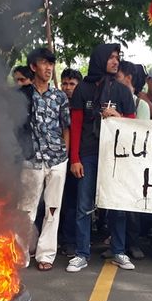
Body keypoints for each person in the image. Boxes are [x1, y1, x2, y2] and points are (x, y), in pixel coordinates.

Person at [66, 43, 136, 273]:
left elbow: (134, 125)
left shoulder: (123, 91)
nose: (116, 62)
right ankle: (82, 253)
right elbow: (75, 126)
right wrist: (74, 158)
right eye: (111, 57)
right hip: (88, 154)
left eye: (118, 58)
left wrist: (119, 116)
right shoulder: (83, 89)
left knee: (117, 204)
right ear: (100, 59)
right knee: (84, 205)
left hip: (116, 157)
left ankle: (118, 251)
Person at [16, 47, 70, 271]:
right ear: (33, 67)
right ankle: (19, 255)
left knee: (52, 209)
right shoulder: (23, 95)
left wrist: (64, 152)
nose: (48, 68)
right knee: (26, 210)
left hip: (57, 159)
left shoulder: (59, 96)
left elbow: (66, 125)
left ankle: (46, 254)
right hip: (31, 160)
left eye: (51, 64)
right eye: (44, 63)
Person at [115, 60, 149, 260]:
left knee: (132, 206)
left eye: (118, 77)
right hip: (116, 160)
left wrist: (118, 117)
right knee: (115, 206)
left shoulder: (140, 105)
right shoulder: (113, 99)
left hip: (135, 162)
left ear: (128, 78)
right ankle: (117, 242)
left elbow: (141, 131)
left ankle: (133, 243)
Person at [58, 68, 83, 257]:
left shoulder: (82, 105)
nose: (67, 88)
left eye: (72, 84)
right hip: (54, 161)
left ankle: (69, 241)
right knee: (51, 203)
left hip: (75, 161)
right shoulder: (54, 103)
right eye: (65, 83)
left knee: (73, 203)